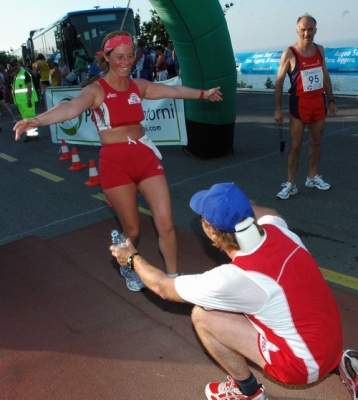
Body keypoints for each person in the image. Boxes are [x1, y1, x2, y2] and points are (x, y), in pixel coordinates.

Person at [13, 30, 222, 292]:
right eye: (119, 56)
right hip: (115, 165)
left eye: (130, 56)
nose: (125, 61)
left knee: (166, 224)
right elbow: (70, 108)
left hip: (145, 157)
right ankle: (126, 263)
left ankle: (172, 279)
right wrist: (38, 120)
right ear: (107, 58)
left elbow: (175, 89)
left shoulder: (139, 86)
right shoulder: (96, 90)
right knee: (132, 230)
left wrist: (204, 93)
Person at [109, 181, 357, 400]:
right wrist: (240, 207)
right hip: (333, 342)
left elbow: (163, 288)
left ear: (210, 230)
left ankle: (247, 392)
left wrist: (131, 258)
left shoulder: (233, 278)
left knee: (202, 315)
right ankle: (341, 364)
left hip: (303, 367)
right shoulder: (278, 228)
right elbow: (268, 212)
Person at [274, 14, 337, 200]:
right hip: (299, 105)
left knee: (316, 142)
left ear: (315, 31)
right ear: (297, 30)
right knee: (295, 146)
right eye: (303, 29)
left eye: (310, 29)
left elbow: (324, 76)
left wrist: (331, 100)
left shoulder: (320, 50)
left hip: (318, 102)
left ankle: (312, 177)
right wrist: (278, 108)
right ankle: (291, 184)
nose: (306, 33)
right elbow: (278, 82)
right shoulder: (290, 53)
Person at [10, 59, 39, 142]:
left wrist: (29, 99)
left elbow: (29, 87)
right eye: (13, 65)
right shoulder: (17, 75)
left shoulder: (24, 73)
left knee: (30, 118)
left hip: (26, 101)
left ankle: (32, 136)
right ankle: (31, 135)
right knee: (27, 118)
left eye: (16, 64)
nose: (15, 66)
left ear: (19, 64)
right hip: (21, 102)